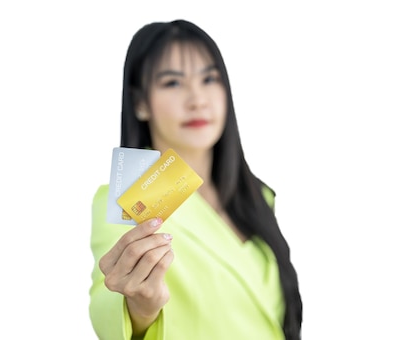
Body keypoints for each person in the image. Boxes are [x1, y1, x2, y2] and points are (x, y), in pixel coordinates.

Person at [88, 19, 303, 340]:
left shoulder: (258, 197)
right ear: (140, 103)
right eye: (172, 83)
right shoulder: (126, 199)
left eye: (209, 79)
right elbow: (108, 306)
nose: (197, 99)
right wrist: (140, 310)